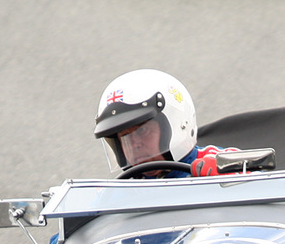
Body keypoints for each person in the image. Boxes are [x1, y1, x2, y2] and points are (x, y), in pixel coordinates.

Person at [94, 69, 234, 178]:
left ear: (176, 124)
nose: (135, 145)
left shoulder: (219, 161)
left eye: (142, 131)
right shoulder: (123, 191)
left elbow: (253, 178)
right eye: (125, 137)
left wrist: (227, 180)